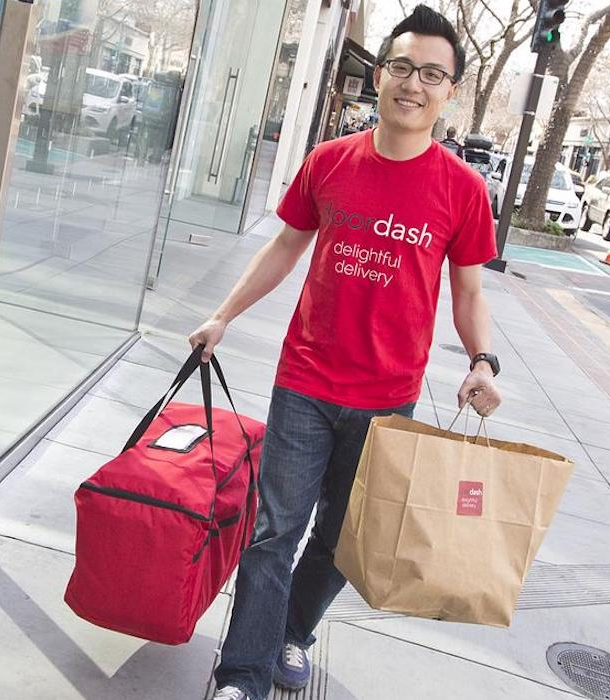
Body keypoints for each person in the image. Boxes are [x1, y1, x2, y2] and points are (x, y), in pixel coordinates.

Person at [189, 6, 502, 699]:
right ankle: (242, 674)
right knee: (274, 534)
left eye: (430, 73)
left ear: (449, 91)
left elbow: (470, 294)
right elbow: (283, 248)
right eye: (399, 67)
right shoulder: (329, 162)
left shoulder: (462, 190)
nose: (411, 84)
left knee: (342, 539)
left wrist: (482, 361)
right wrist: (222, 316)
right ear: (378, 76)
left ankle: (290, 634)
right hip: (304, 380)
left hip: (388, 396)